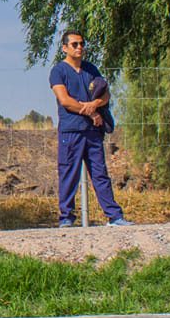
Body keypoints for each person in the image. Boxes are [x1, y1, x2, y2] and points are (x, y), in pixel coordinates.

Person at [49, 30, 128, 228]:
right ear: (65, 48)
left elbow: (106, 94)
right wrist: (90, 111)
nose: (79, 47)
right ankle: (66, 217)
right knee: (69, 174)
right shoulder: (58, 71)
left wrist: (95, 104)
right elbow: (65, 100)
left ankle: (114, 216)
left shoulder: (91, 69)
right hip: (71, 131)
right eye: (74, 44)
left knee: (100, 173)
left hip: (93, 131)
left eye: (82, 43)